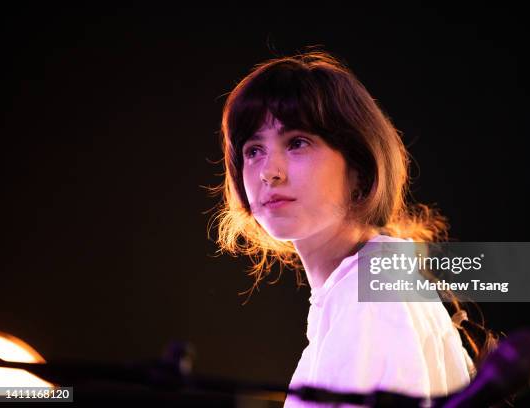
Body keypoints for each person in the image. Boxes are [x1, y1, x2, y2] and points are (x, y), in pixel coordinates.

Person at [209, 49, 496, 406]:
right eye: (253, 150)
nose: (270, 171)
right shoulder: (361, 288)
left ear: (359, 167)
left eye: (297, 143)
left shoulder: (369, 297)